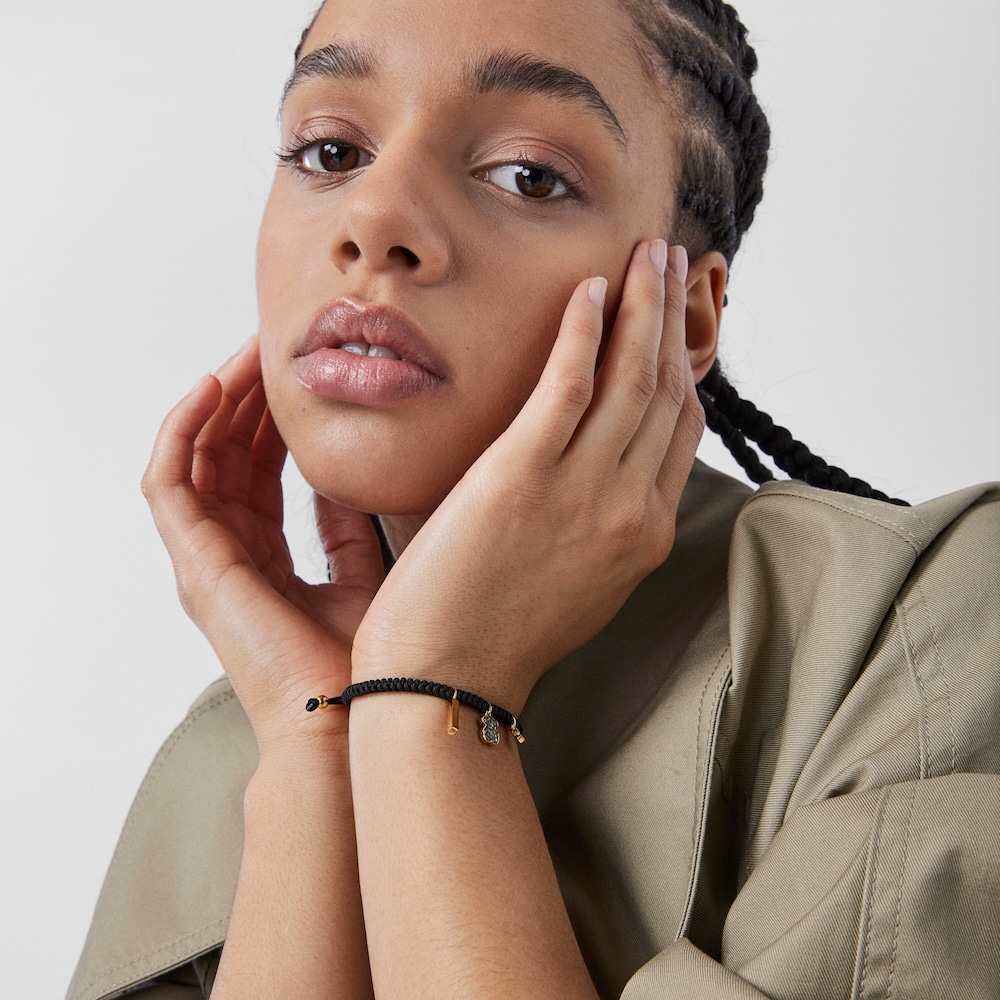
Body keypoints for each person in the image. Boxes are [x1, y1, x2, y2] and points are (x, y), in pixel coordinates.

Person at [68, 0, 999, 998]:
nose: (372, 219)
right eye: (331, 151)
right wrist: (316, 754)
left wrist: (435, 696)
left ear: (683, 318)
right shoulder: (238, 741)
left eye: (528, 175)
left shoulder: (923, 632)